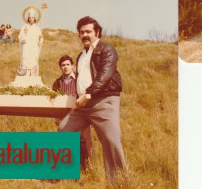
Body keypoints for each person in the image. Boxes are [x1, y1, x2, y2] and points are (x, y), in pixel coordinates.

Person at [58, 16, 126, 184]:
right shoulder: (81, 56)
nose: (85, 35)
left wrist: (89, 94)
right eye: (82, 32)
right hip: (83, 105)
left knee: (111, 141)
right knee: (63, 129)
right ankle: (68, 173)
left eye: (88, 31)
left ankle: (119, 182)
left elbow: (104, 75)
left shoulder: (106, 50)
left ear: (97, 32)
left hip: (103, 101)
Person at [52, 55, 93, 169]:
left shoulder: (79, 79)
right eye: (63, 65)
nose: (65, 67)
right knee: (66, 142)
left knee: (84, 141)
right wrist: (56, 117)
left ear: (72, 65)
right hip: (64, 116)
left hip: (81, 113)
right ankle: (68, 168)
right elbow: (53, 101)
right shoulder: (57, 82)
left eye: (67, 64)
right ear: (60, 67)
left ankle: (88, 168)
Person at [18, 10, 43, 76]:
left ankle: (33, 77)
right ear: (28, 18)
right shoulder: (24, 27)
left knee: (33, 62)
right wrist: (25, 34)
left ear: (34, 18)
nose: (31, 19)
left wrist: (40, 38)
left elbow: (40, 41)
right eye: (30, 17)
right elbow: (20, 38)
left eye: (32, 17)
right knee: (25, 62)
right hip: (26, 49)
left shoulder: (37, 28)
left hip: (34, 49)